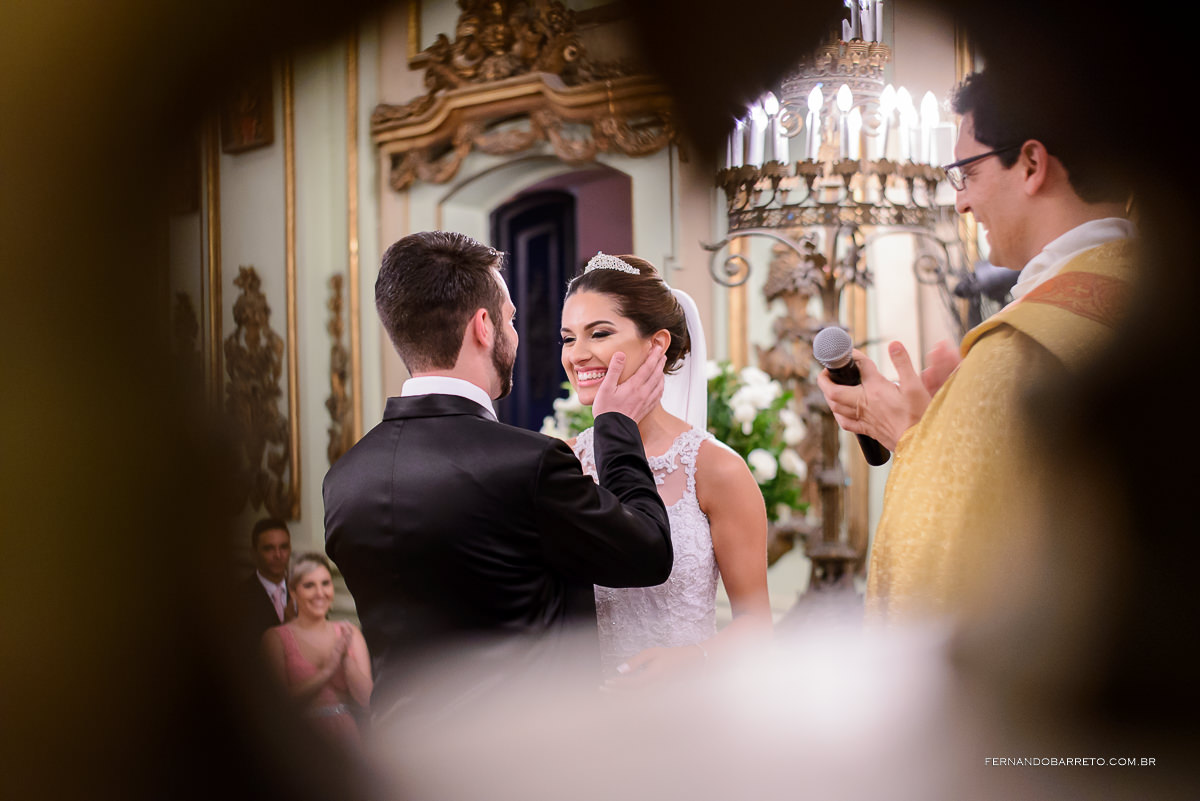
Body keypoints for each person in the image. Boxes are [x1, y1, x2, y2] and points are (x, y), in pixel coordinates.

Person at [817, 69, 1137, 622]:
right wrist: (936, 423)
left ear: (1032, 165)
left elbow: (957, 565)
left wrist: (905, 435)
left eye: (967, 173)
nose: (961, 204)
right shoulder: (1148, 294)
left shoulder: (1024, 346)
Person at [322, 230, 673, 719]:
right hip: (517, 762)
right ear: (484, 327)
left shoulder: (344, 476)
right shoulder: (529, 463)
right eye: (511, 319)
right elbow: (649, 553)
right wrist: (616, 425)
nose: (516, 333)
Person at [561, 253, 772, 682]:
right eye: (567, 338)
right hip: (585, 716)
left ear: (656, 344)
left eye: (598, 333)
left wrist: (691, 659)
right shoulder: (561, 462)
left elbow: (757, 626)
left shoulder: (716, 469)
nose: (578, 355)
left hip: (686, 712)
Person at [261, 553, 372, 748]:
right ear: (293, 592)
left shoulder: (350, 632)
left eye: (325, 583)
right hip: (300, 739)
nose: (320, 593)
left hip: (346, 739)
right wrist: (327, 670)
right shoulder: (276, 637)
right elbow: (278, 704)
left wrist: (346, 659)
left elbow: (367, 700)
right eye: (309, 585)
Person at [236, 518, 294, 648]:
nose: (278, 555)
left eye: (284, 547)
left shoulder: (302, 591)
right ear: (254, 553)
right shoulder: (238, 598)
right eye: (269, 549)